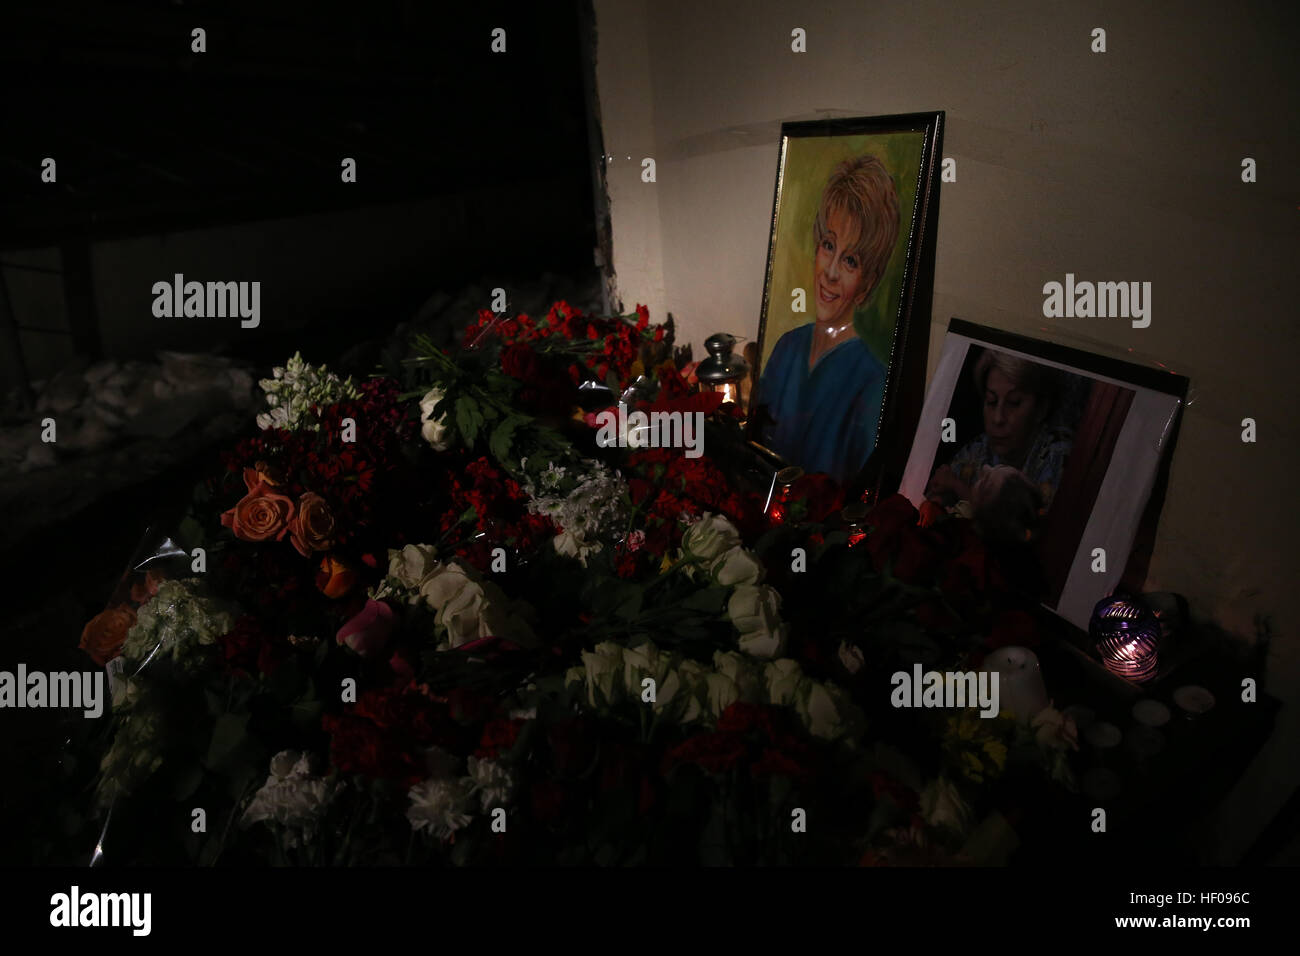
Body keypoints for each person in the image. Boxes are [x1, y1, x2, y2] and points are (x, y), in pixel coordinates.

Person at [757, 155, 900, 485]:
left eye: (850, 260)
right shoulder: (786, 348)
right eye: (828, 245)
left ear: (868, 283)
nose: (831, 272)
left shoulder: (871, 382)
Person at [926, 349, 1073, 512]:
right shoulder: (979, 448)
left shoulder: (1058, 454)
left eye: (1014, 402)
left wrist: (958, 487)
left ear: (1041, 409)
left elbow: (1018, 527)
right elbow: (941, 488)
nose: (998, 418)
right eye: (991, 401)